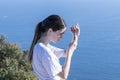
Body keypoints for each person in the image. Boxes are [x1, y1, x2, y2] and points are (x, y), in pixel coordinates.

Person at [28, 14, 80, 80]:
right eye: (60, 33)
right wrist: (69, 52)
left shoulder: (41, 47)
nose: (61, 37)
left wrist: (75, 37)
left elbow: (65, 53)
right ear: (50, 31)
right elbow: (63, 75)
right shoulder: (44, 51)